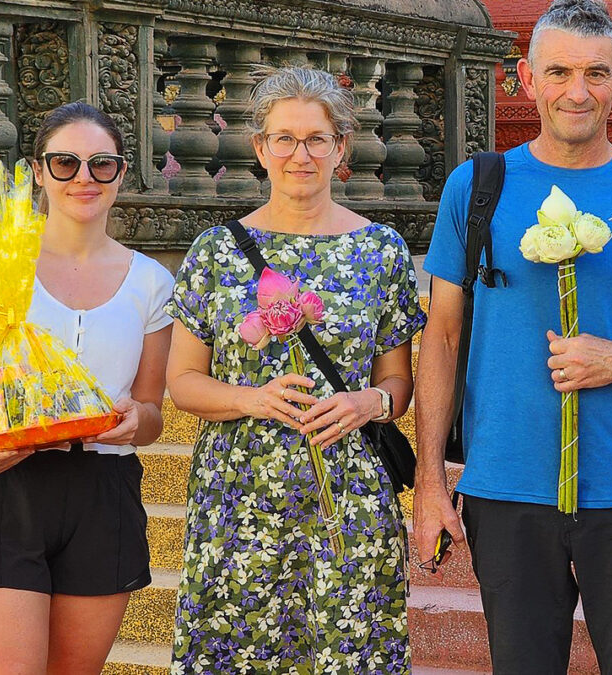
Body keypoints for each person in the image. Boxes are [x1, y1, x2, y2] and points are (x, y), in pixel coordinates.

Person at [414, 1, 612, 672]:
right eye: (558, 72)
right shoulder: (478, 186)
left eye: (595, 73)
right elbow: (441, 334)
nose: (577, 92)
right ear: (526, 78)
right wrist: (431, 480)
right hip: (506, 488)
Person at [165, 66, 426, 674]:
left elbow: (398, 383)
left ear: (341, 147)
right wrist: (250, 399)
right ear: (260, 149)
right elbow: (182, 382)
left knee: (348, 653)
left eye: (316, 139)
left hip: (348, 500)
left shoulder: (381, 250)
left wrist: (370, 404)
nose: (299, 154)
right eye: (284, 138)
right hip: (240, 497)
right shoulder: (216, 251)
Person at [0, 101, 174, 673]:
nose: (83, 178)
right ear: (38, 171)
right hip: (4, 486)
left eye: (100, 165)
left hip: (103, 491)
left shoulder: (153, 282)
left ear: (121, 173)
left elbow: (153, 411)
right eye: (65, 163)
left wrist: (139, 421)